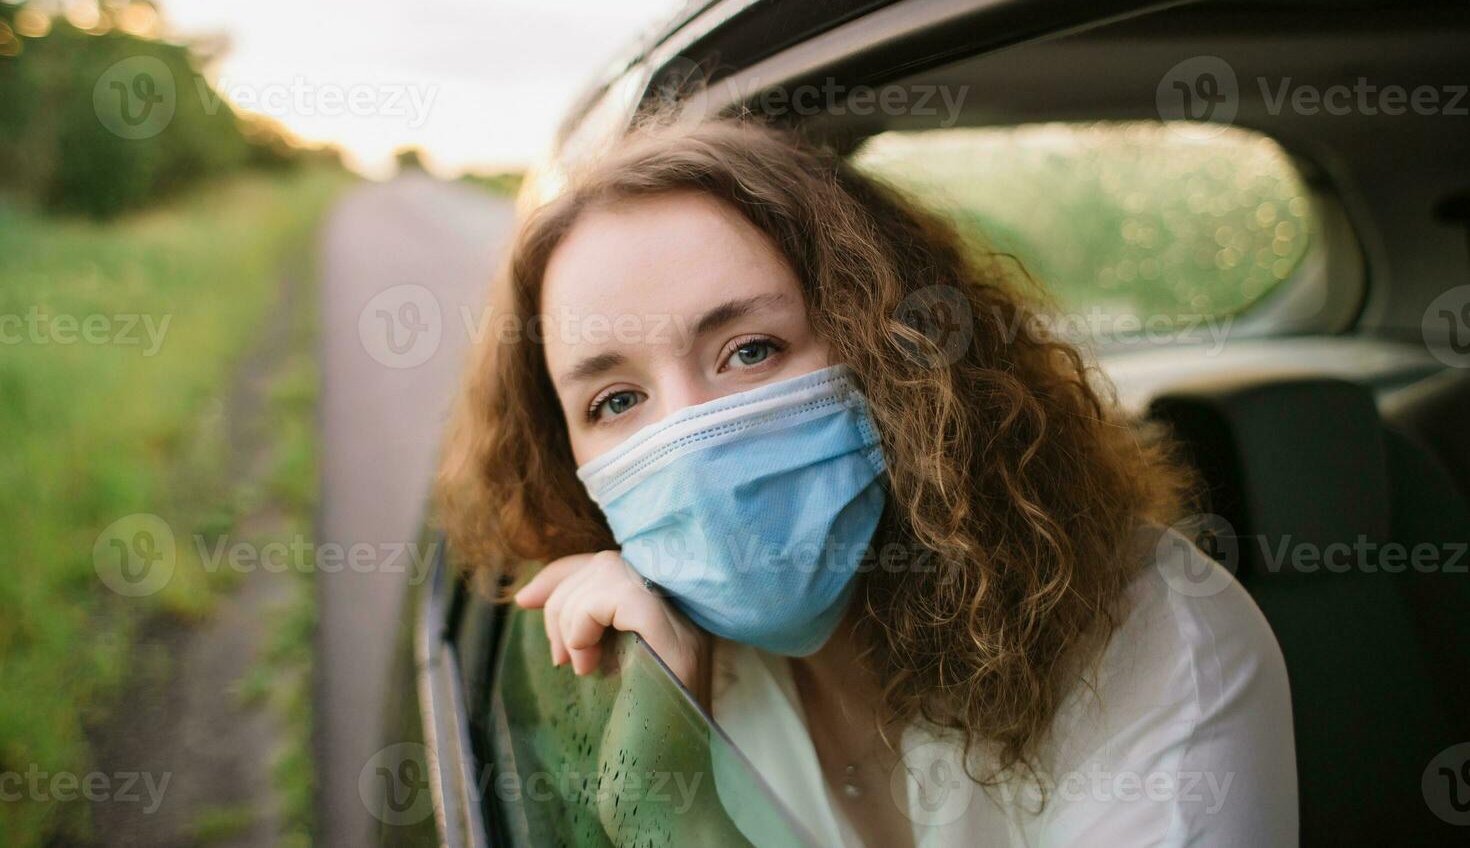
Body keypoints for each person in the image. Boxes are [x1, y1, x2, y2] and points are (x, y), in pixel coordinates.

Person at [438, 117, 1297, 846]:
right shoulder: (640, 663)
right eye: (616, 399)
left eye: (751, 351)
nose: (687, 439)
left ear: (899, 353)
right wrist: (662, 714)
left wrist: (677, 813)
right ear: (566, 458)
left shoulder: (1152, 644)